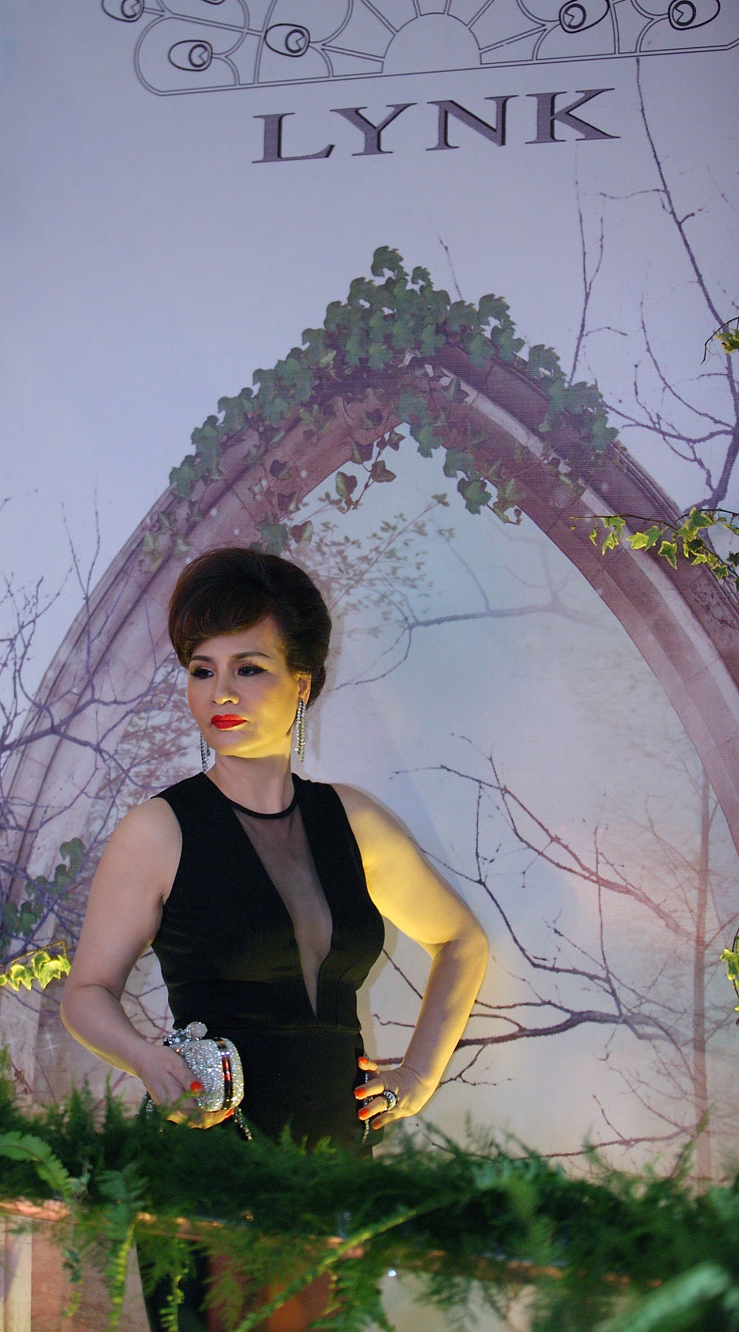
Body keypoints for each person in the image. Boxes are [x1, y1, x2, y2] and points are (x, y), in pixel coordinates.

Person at [61, 547, 488, 1327]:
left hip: (340, 1167)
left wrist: (420, 1075)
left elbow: (462, 942)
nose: (220, 692)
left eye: (249, 668)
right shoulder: (158, 830)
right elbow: (86, 992)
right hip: (216, 1166)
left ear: (303, 683)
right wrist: (147, 1060)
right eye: (202, 670)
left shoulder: (352, 820)